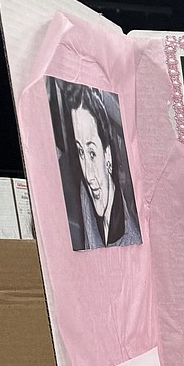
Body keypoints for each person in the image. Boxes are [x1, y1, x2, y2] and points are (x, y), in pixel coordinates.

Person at [66, 83, 140, 249]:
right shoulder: (86, 192)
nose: (88, 174)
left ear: (108, 155)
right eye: (80, 152)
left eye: (92, 153)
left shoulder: (130, 238)